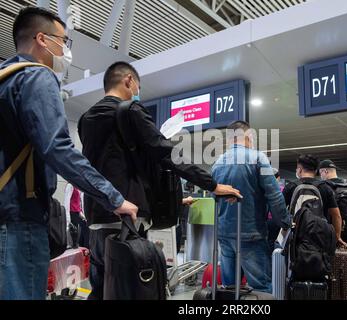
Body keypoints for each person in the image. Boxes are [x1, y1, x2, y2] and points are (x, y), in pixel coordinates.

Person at [0, 7, 138, 300]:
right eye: (63, 41)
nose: (65, 49)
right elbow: (57, 147)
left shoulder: (5, 79)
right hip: (19, 218)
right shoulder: (36, 76)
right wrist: (113, 197)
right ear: (42, 39)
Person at [78, 61, 241, 300]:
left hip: (96, 218)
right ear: (129, 81)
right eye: (137, 86)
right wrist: (212, 184)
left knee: (102, 290)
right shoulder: (130, 111)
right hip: (128, 218)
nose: (137, 92)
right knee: (132, 290)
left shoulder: (85, 119)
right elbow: (166, 153)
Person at [212, 121, 291, 293]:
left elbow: (215, 196)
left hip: (224, 233)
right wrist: (286, 222)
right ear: (249, 137)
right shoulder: (258, 158)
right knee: (261, 287)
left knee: (230, 288)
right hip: (251, 233)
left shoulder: (217, 163)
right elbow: (274, 196)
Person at [285, 155, 347, 248]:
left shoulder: (290, 187)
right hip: (320, 236)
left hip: (296, 237)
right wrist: (337, 237)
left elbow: (280, 212)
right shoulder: (325, 187)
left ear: (299, 169)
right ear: (316, 170)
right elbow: (336, 215)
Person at [319, 160, 347, 248]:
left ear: (325, 171)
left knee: (335, 259)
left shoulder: (325, 186)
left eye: (321, 173)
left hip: (335, 232)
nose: (321, 176)